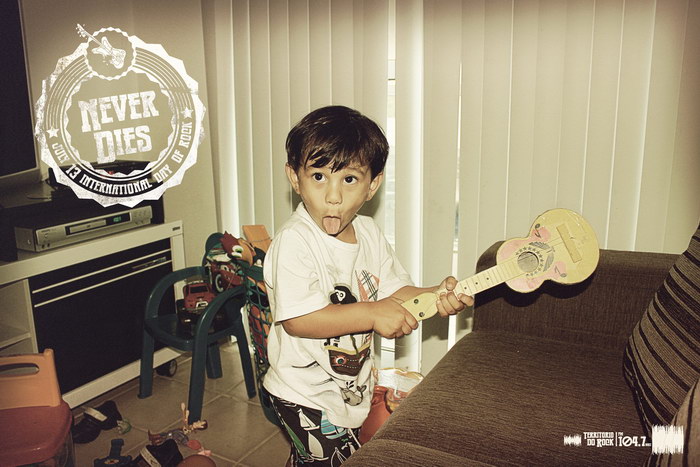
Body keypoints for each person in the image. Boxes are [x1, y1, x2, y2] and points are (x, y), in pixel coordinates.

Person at [263, 105, 473, 466]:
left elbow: (395, 292)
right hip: (302, 393)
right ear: (295, 178)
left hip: (348, 387)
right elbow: (298, 320)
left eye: (349, 179)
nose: (333, 196)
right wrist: (373, 314)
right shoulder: (295, 241)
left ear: (372, 185)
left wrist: (434, 294)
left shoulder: (370, 234)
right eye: (318, 176)